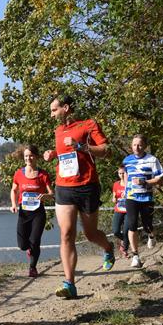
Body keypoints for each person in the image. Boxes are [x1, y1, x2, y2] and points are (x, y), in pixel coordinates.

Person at [43, 95, 115, 299]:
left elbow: (106, 150)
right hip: (64, 187)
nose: (52, 115)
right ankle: (69, 284)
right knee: (66, 234)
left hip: (87, 186)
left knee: (90, 234)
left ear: (65, 108)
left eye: (54, 110)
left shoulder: (88, 124)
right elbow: (65, 154)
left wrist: (82, 146)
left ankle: (108, 247)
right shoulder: (58, 131)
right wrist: (52, 154)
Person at [122, 134, 163, 268]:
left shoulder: (152, 160)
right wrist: (125, 188)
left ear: (145, 146)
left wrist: (145, 182)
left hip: (146, 197)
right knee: (132, 225)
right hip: (131, 197)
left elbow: (161, 179)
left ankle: (151, 236)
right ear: (131, 146)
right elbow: (125, 174)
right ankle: (135, 256)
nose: (137, 147)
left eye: (140, 145)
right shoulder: (127, 160)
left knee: (148, 225)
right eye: (134, 145)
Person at [10, 145, 53, 277]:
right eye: (26, 156)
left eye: (31, 155)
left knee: (35, 240)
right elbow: (14, 190)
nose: (28, 158)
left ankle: (32, 267)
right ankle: (28, 249)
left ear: (36, 157)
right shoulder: (19, 173)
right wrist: (13, 204)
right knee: (22, 245)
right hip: (24, 212)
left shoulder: (43, 174)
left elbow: (51, 193)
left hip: (38, 213)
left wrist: (45, 196)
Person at [111, 166, 129, 258]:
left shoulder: (129, 184)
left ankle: (125, 249)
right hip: (118, 209)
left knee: (126, 231)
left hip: (129, 210)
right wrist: (114, 199)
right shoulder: (116, 184)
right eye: (120, 173)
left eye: (123, 173)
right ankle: (126, 241)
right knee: (115, 231)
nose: (121, 175)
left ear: (126, 174)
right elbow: (114, 197)